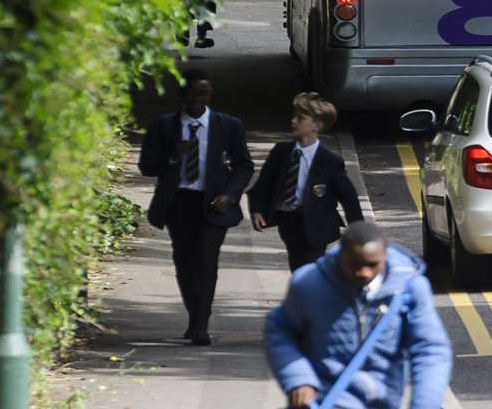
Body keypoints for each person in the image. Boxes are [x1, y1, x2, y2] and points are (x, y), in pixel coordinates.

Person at [265, 221, 452, 409]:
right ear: (341, 256)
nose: (364, 272)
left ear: (385, 256)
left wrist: (425, 403)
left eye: (372, 264)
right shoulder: (308, 283)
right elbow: (279, 331)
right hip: (325, 400)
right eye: (354, 264)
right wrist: (298, 379)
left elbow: (430, 350)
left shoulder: (410, 288)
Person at [138, 69, 254, 346]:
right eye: (192, 93)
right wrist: (171, 157)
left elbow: (244, 165)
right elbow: (146, 166)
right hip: (178, 202)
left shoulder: (228, 125)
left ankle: (200, 323)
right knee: (184, 261)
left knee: (206, 261)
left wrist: (231, 194)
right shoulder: (164, 126)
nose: (197, 99)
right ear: (182, 94)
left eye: (203, 93)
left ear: (210, 95)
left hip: (213, 204)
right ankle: (195, 314)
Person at [250, 92, 364, 270]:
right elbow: (264, 182)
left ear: (316, 126)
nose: (293, 121)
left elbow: (349, 198)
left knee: (310, 268)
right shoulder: (282, 152)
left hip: (317, 225)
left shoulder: (329, 161)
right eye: (294, 117)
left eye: (300, 118)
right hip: (289, 222)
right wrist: (257, 209)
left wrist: (358, 231)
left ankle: (311, 294)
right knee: (296, 264)